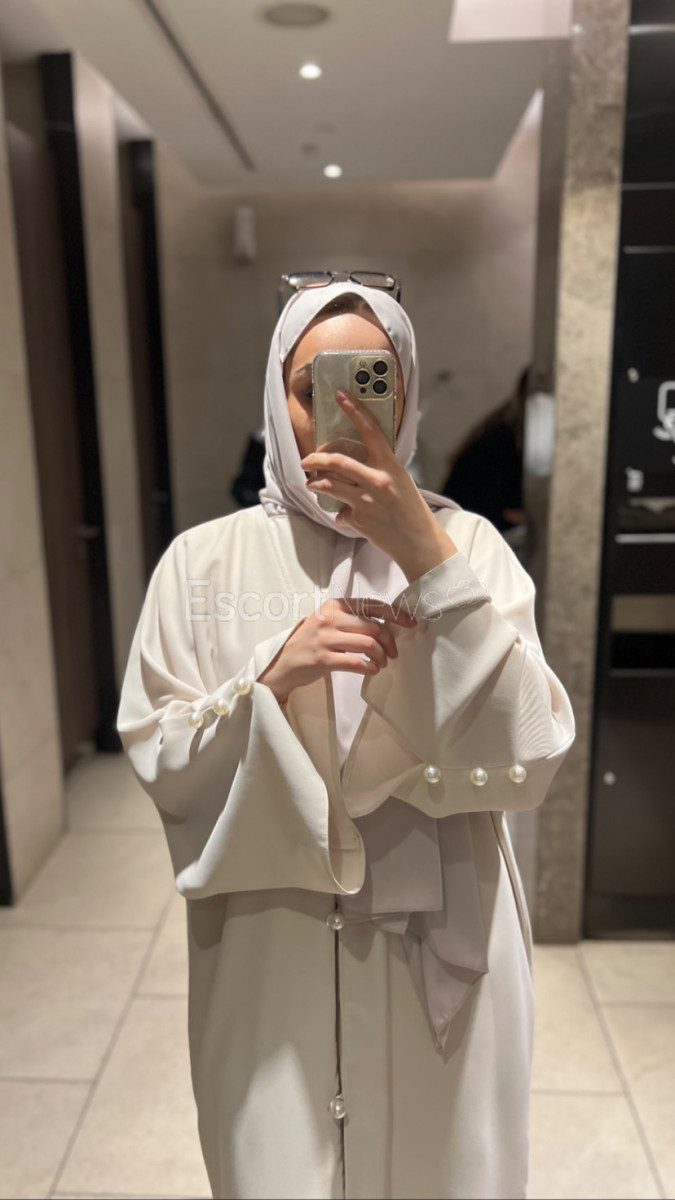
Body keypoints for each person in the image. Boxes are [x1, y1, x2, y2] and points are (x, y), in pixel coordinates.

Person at [116, 281, 575, 1200]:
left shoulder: (470, 546)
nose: (342, 413)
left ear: (405, 401)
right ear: (277, 399)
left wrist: (428, 560)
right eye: (311, 388)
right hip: (269, 946)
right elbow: (162, 759)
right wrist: (270, 683)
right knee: (275, 1161)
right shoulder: (201, 563)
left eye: (374, 384)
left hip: (440, 951)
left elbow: (531, 755)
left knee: (448, 1165)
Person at [441, 366, 530, 533]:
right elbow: (507, 511)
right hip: (463, 527)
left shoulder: (504, 423)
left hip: (461, 523)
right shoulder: (504, 436)